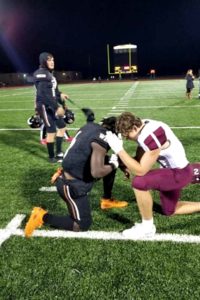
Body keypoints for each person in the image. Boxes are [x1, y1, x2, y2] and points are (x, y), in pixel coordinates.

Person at [24, 116, 128, 237]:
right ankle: (41, 216)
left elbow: (78, 151)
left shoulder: (90, 126)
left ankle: (106, 200)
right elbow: (96, 172)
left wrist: (119, 165)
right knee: (82, 224)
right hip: (71, 185)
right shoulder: (102, 139)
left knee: (109, 162)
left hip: (71, 171)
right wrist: (115, 164)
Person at [106, 112, 200, 238]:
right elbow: (141, 151)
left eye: (127, 135)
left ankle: (147, 228)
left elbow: (140, 170)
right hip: (172, 172)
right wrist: (126, 165)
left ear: (134, 128)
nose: (127, 138)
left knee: (139, 182)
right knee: (170, 211)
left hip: (178, 174)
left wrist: (119, 150)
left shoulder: (152, 135)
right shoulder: (142, 125)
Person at [34, 52, 69, 163]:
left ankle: (59, 152)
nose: (52, 62)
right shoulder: (41, 74)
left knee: (62, 127)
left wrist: (61, 94)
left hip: (52, 105)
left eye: (53, 60)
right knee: (51, 131)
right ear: (43, 61)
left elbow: (54, 91)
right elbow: (43, 95)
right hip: (44, 106)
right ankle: (51, 157)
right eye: (49, 60)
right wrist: (57, 107)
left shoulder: (50, 74)